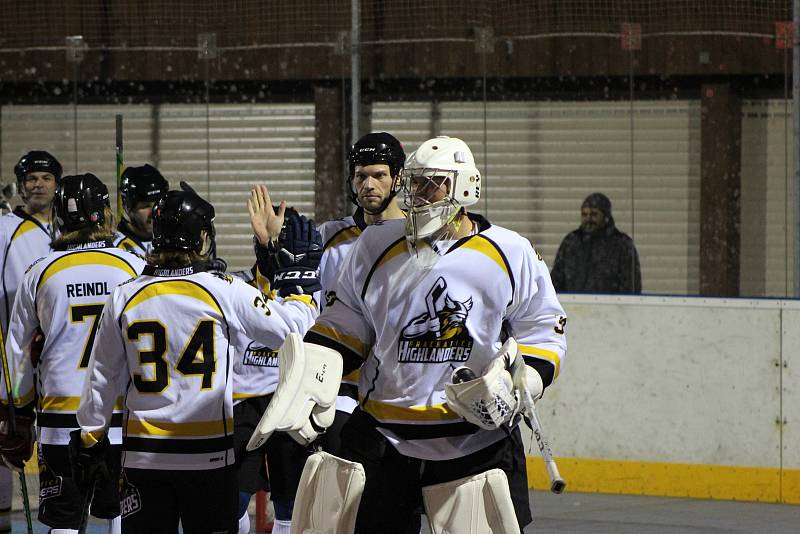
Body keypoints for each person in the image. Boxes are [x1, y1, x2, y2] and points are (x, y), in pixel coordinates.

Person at [302, 136, 567, 532]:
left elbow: (543, 326)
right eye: (414, 183)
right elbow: (347, 321)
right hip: (384, 437)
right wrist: (309, 379)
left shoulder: (510, 252)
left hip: (476, 441)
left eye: (433, 183)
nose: (420, 195)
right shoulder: (375, 244)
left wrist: (525, 380)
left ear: (464, 188)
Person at [70, 185, 318, 533]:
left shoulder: (124, 296)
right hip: (210, 459)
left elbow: (101, 377)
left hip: (143, 458)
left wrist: (89, 440)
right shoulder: (223, 288)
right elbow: (290, 331)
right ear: (202, 238)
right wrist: (300, 284)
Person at [1, 173, 145, 533]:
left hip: (60, 420)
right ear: (106, 213)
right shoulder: (135, 267)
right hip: (119, 417)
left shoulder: (39, 272)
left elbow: (15, 353)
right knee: (121, 518)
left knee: (64, 522)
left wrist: (15, 414)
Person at [232, 206, 322, 534]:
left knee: (292, 504)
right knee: (233, 503)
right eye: (270, 244)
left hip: (293, 403)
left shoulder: (315, 292)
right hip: (244, 404)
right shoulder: (238, 286)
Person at [317, 131, 406, 454]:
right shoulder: (326, 238)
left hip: (400, 394)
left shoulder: (420, 239)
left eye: (379, 175)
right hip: (339, 395)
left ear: (398, 178)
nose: (369, 185)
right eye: (361, 176)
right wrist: (271, 252)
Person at [0, 150, 61, 533]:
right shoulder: (4, 228)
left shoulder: (67, 228)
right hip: (15, 352)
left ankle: (62, 515)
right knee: (8, 439)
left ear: (58, 184)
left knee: (57, 440)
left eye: (45, 177)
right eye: (31, 178)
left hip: (59, 354)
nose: (38, 184)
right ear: (21, 185)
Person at [550, 192, 641, 294]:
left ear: (606, 217)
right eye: (584, 214)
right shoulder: (571, 242)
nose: (588, 219)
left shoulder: (622, 245)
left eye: (594, 214)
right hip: (573, 306)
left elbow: (631, 285)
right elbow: (556, 280)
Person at [114, 164, 169, 256]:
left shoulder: (173, 240)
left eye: (159, 203)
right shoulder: (116, 248)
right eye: (145, 206)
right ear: (128, 208)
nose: (154, 212)